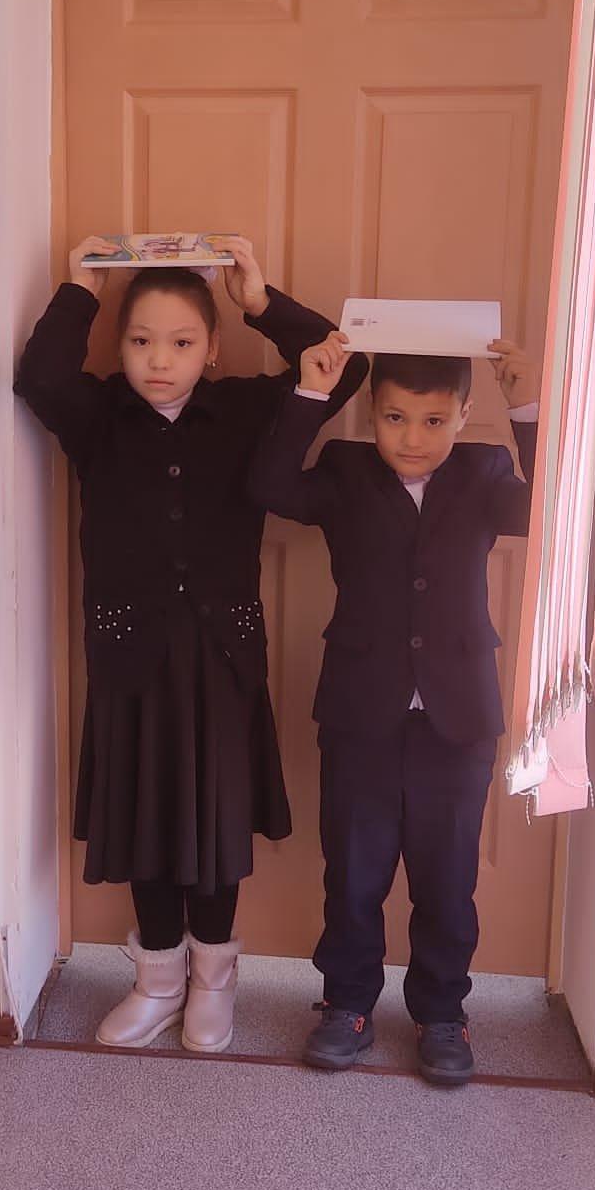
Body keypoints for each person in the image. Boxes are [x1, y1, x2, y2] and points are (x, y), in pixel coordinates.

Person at [15, 237, 365, 1053]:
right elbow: (39, 378)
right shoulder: (98, 415)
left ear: (211, 350)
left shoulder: (243, 410)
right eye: (141, 341)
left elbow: (339, 367)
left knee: (214, 827)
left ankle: (214, 982)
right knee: (147, 822)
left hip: (222, 661)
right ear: (119, 347)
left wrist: (259, 301)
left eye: (180, 342)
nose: (159, 360)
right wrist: (80, 288)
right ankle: (158, 982)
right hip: (130, 660)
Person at [248, 331, 539, 1083]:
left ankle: (443, 1012)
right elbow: (270, 488)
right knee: (353, 873)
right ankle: (346, 1003)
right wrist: (311, 393)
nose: (413, 438)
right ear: (372, 412)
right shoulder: (345, 472)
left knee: (446, 878)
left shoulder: (485, 472)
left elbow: (557, 510)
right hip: (361, 715)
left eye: (434, 421)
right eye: (395, 418)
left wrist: (528, 411)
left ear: (464, 415)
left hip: (458, 720)